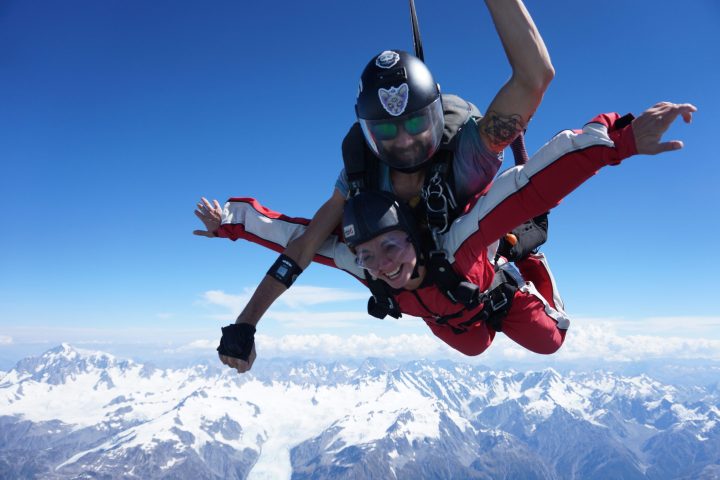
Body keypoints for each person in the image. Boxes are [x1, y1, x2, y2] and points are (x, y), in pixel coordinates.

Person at [196, 0, 555, 372]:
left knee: (546, 340)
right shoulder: (361, 175)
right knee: (474, 344)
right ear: (367, 133)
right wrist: (247, 321)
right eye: (385, 131)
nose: (403, 141)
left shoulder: (467, 152)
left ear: (434, 115)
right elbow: (305, 245)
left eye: (415, 124)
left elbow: (534, 76)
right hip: (425, 290)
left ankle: (517, 261)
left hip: (476, 267)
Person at [212, 102, 697, 365]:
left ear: (413, 237)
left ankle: (525, 262)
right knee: (476, 347)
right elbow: (292, 239)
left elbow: (533, 184)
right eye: (369, 255)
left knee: (551, 341)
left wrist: (620, 140)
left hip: (491, 291)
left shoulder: (455, 242)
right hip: (451, 321)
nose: (383, 264)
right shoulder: (364, 265)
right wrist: (232, 223)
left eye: (390, 247)